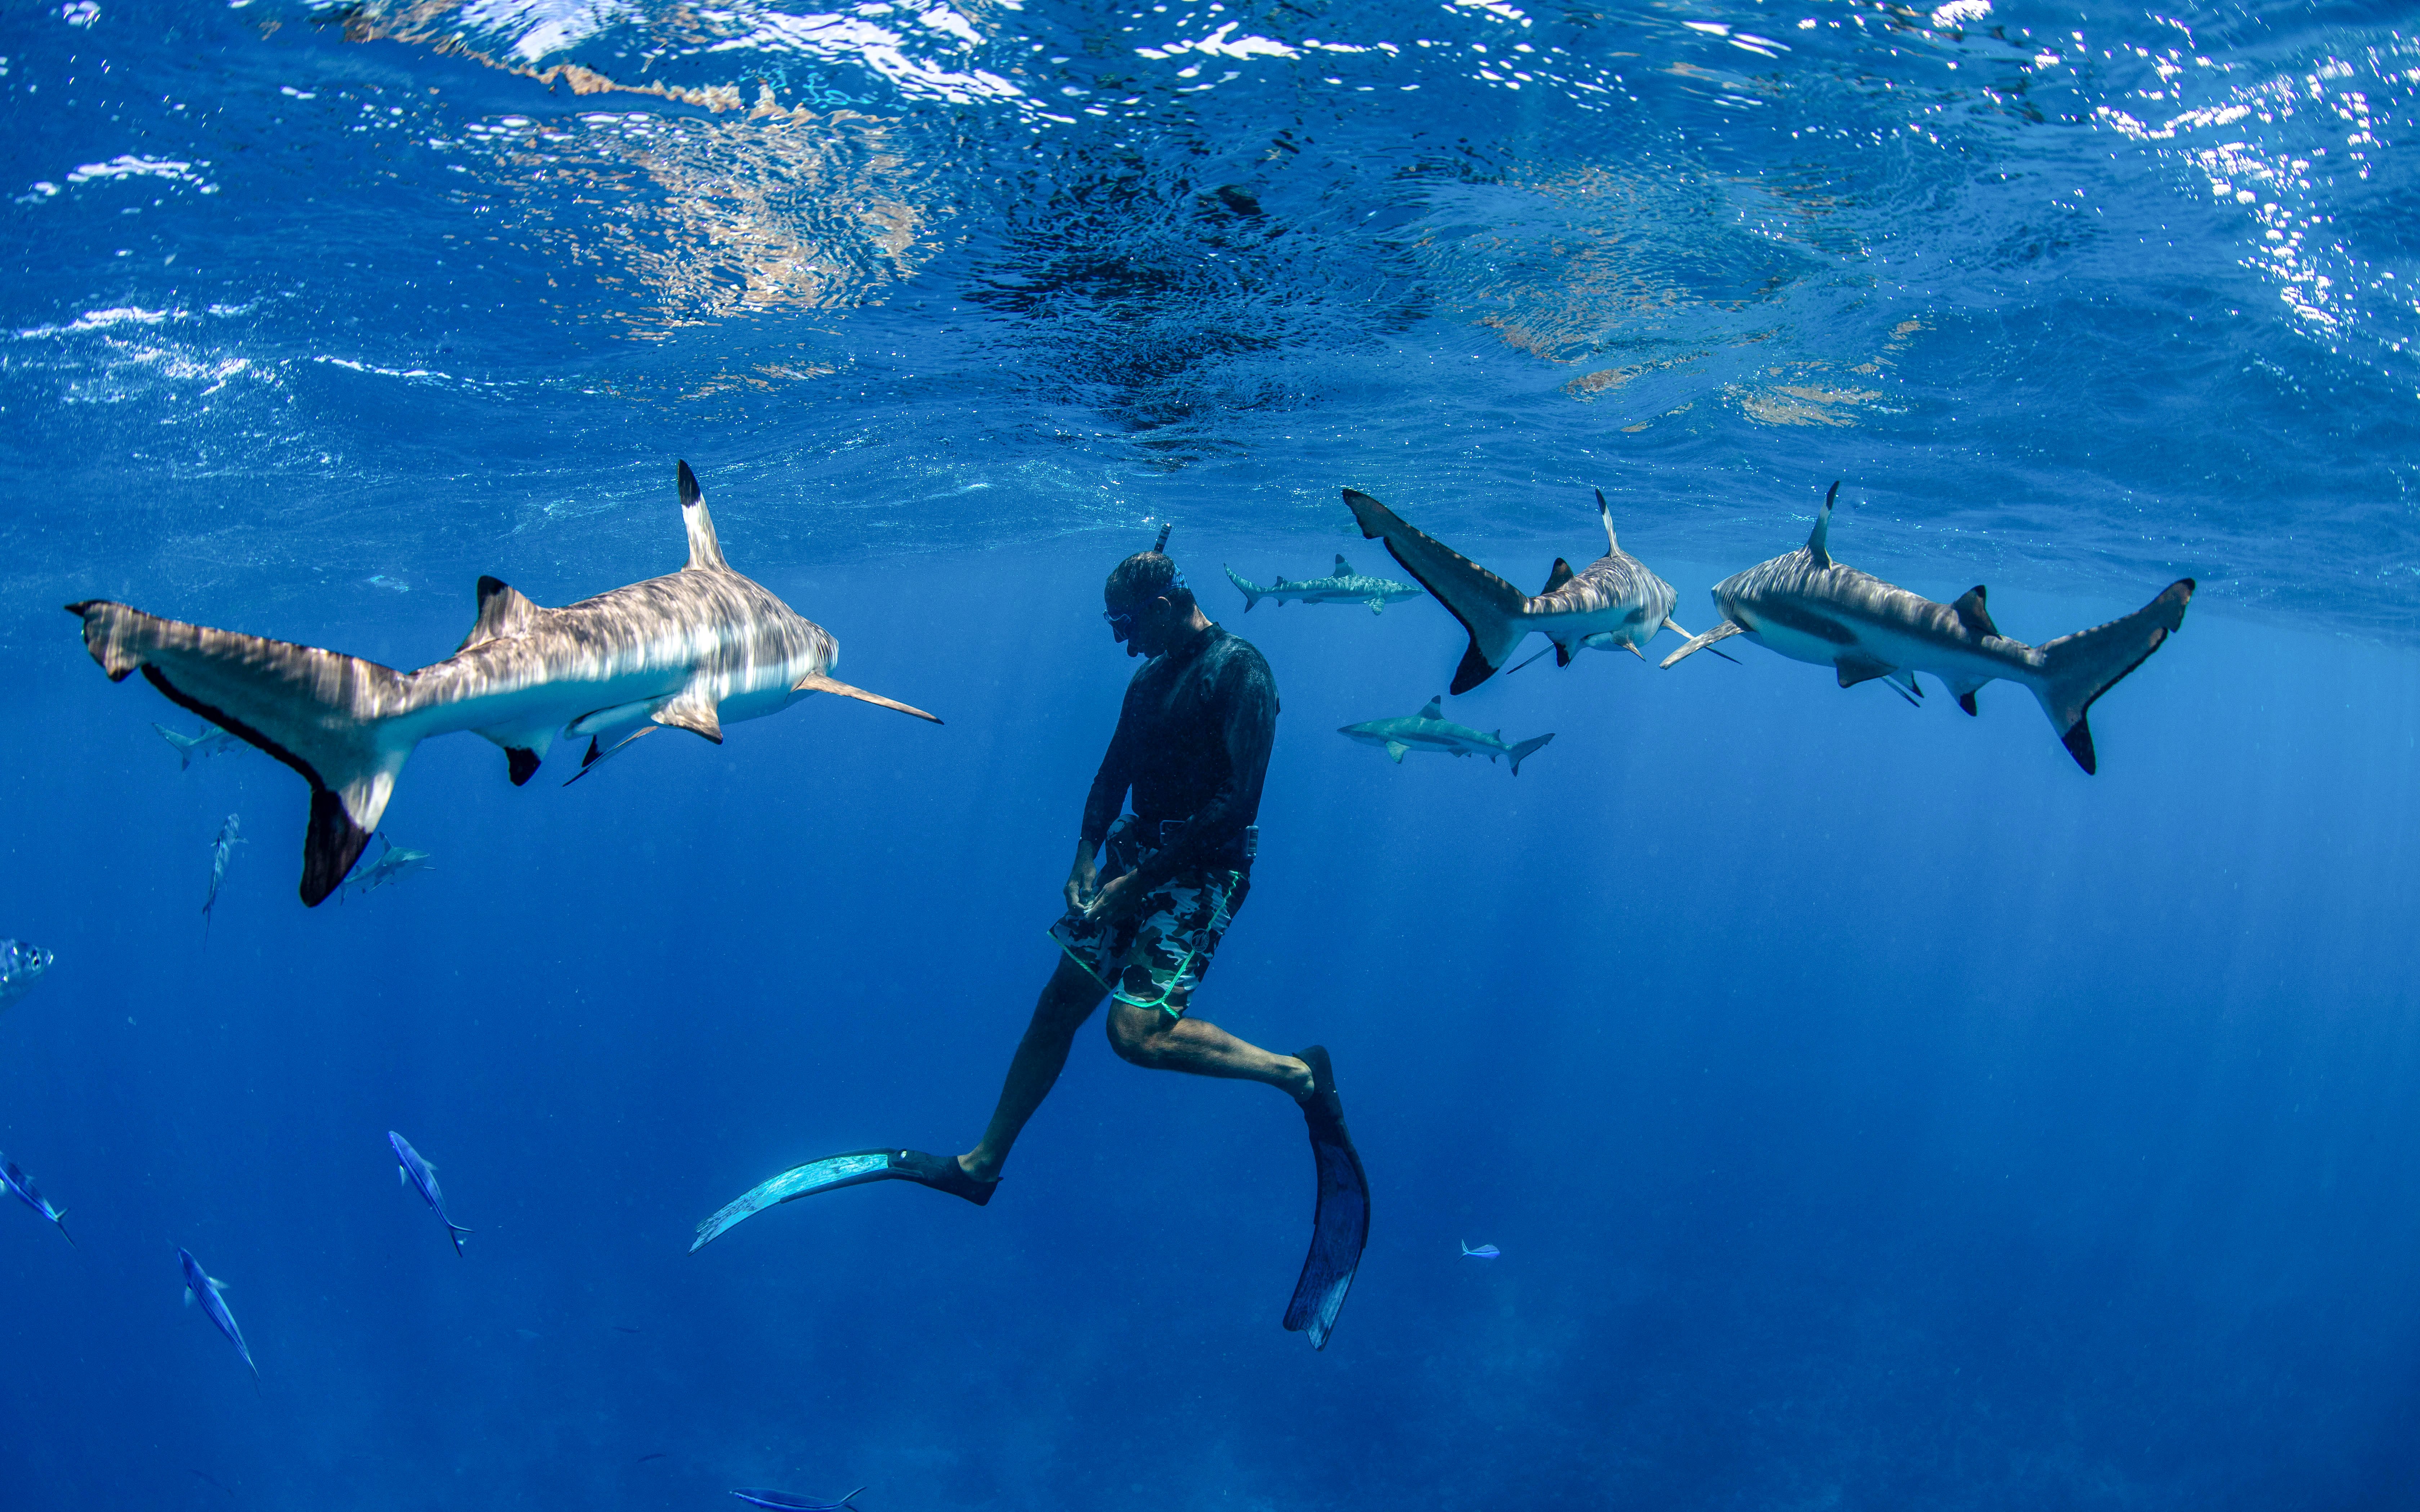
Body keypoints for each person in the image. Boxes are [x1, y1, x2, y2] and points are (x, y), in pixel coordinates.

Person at [689, 531, 1367, 1347]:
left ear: (1163, 604)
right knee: (1056, 1008)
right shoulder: (1150, 680)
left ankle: (1299, 1075)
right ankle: (980, 1167)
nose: (1120, 640)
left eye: (1126, 624)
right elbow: (1111, 773)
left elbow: (1237, 804)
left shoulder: (1242, 672)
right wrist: (1087, 858)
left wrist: (1137, 883)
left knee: (1134, 1036)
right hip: (1133, 858)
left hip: (1201, 873)